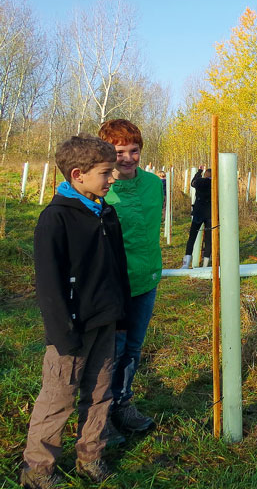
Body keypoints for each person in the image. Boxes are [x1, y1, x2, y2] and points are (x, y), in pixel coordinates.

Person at [20, 134, 130, 489]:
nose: (112, 178)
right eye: (106, 172)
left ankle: (91, 456)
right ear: (79, 174)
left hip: (105, 322)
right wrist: (62, 332)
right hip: (71, 329)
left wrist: (120, 313)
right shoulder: (56, 219)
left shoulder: (106, 213)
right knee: (58, 398)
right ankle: (38, 469)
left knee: (101, 393)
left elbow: (117, 268)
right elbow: (49, 283)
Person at [98, 119, 162, 438]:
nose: (126, 158)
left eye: (133, 151)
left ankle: (123, 403)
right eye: (118, 151)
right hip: (113, 285)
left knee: (133, 347)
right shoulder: (101, 191)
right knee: (112, 349)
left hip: (146, 279)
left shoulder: (154, 184)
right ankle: (101, 414)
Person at [181, 166, 212, 269]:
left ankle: (186, 264)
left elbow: (193, 182)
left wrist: (199, 171)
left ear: (205, 175)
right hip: (210, 215)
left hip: (198, 213)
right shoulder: (216, 184)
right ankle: (205, 265)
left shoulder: (199, 182)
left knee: (192, 238)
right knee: (208, 240)